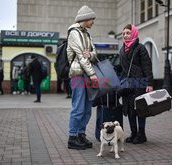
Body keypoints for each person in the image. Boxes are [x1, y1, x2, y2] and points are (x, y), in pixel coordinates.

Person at [67, 5, 97, 150]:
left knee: (87, 108)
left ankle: (81, 134)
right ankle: (72, 137)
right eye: (92, 19)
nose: (93, 22)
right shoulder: (74, 33)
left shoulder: (87, 34)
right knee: (78, 107)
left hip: (86, 73)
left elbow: (94, 53)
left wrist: (90, 54)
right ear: (85, 18)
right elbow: (81, 56)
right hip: (78, 75)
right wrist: (93, 75)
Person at [119, 24, 153, 144]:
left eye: (128, 33)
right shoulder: (122, 49)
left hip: (140, 82)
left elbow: (147, 65)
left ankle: (142, 134)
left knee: (139, 108)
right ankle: (133, 133)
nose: (125, 35)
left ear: (133, 33)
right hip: (127, 84)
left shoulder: (140, 48)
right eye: (123, 34)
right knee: (129, 109)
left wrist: (149, 83)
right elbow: (122, 68)